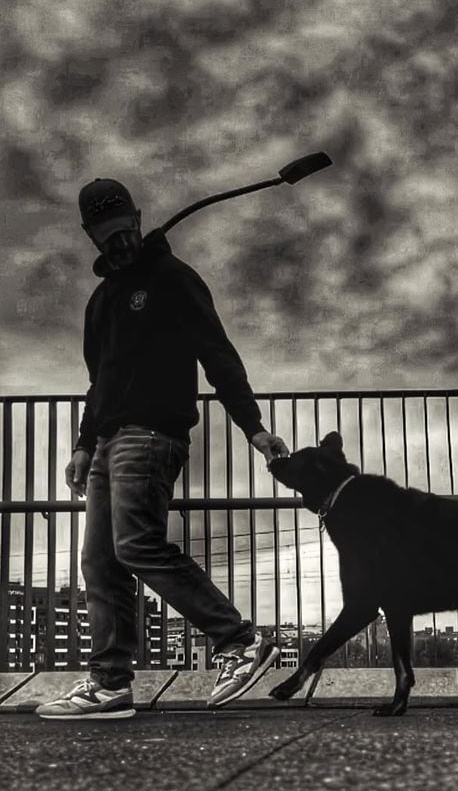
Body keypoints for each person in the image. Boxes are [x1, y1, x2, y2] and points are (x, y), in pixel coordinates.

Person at [37, 178, 289, 720]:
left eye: (124, 231)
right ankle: (109, 684)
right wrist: (84, 446)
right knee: (99, 561)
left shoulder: (173, 279)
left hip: (152, 436)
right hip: (107, 442)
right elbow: (98, 381)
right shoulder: (101, 302)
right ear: (91, 237)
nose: (118, 243)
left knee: (136, 545)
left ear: (137, 218)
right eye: (106, 236)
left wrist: (254, 427)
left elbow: (218, 355)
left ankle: (241, 641)